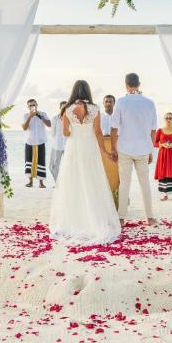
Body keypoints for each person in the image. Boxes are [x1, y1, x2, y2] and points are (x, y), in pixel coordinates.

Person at [49, 81, 122, 245]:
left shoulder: (67, 109)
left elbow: (66, 133)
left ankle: (75, 219)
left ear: (74, 91)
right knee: (92, 181)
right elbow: (98, 132)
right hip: (90, 149)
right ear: (88, 91)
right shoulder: (95, 109)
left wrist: (74, 128)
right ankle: (93, 220)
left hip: (74, 149)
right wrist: (105, 151)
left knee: (73, 183)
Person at [111, 73, 158, 224]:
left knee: (125, 184)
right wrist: (151, 149)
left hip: (125, 148)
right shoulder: (150, 103)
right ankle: (149, 217)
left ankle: (121, 218)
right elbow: (153, 130)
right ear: (139, 84)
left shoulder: (121, 102)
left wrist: (113, 148)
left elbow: (113, 128)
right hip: (143, 148)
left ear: (126, 85)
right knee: (145, 184)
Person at [23, 98, 52, 188]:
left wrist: (40, 116)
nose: (32, 106)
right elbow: (24, 127)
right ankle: (30, 181)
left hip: (40, 141)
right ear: (28, 107)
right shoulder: (26, 115)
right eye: (30, 105)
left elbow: (49, 124)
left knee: (41, 161)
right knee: (29, 161)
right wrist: (30, 117)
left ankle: (41, 183)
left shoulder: (43, 114)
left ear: (37, 105)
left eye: (33, 105)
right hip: (30, 141)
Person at [100, 94, 120, 195]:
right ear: (103, 103)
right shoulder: (99, 117)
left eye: (110, 101)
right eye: (106, 101)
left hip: (116, 145)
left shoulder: (118, 116)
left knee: (118, 172)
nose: (108, 103)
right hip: (103, 146)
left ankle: (118, 194)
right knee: (103, 171)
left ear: (114, 103)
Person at [49, 101, 68, 184]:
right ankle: (58, 183)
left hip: (67, 145)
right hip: (57, 145)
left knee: (69, 165)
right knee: (53, 166)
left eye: (66, 107)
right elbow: (53, 133)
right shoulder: (55, 118)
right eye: (63, 107)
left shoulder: (70, 119)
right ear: (60, 108)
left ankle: (66, 184)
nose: (64, 109)